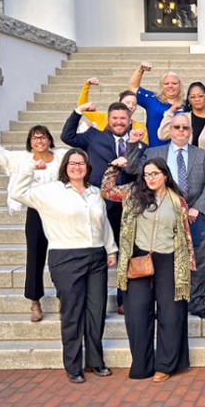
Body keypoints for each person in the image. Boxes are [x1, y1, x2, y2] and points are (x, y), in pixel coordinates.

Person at [10, 149, 116, 384]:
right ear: (65, 166)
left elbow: (103, 223)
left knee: (96, 311)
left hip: (96, 256)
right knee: (72, 313)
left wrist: (110, 249)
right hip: (66, 257)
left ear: (88, 168)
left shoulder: (95, 193)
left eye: (81, 163)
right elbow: (17, 193)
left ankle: (95, 361)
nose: (77, 167)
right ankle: (73, 365)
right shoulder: (50, 192)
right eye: (72, 163)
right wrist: (28, 169)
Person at [102, 156, 195, 382]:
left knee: (171, 313)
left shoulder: (177, 200)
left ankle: (166, 364)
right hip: (138, 258)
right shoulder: (133, 194)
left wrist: (190, 259)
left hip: (169, 259)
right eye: (147, 174)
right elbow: (106, 191)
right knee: (137, 313)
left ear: (165, 175)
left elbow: (184, 232)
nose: (150, 178)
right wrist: (113, 167)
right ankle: (142, 364)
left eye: (155, 174)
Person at [126, 112, 205, 319]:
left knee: (197, 259)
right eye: (176, 127)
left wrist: (198, 207)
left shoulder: (201, 155)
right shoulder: (153, 152)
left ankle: (196, 303)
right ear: (170, 130)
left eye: (185, 128)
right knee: (166, 261)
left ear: (191, 131)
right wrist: (132, 144)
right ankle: (168, 305)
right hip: (162, 215)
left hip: (193, 214)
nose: (180, 131)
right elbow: (134, 169)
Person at [0, 118, 68, 322]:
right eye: (35, 137)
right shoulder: (22, 159)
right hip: (36, 212)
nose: (39, 140)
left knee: (62, 256)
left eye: (43, 136)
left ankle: (65, 297)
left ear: (49, 139)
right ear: (30, 142)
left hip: (61, 212)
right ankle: (35, 302)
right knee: (34, 257)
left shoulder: (61, 156)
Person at [62, 101, 143, 315]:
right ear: (109, 119)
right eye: (115, 118)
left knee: (126, 253)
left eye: (122, 118)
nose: (118, 122)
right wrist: (78, 111)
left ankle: (123, 299)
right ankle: (95, 299)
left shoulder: (139, 142)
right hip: (99, 204)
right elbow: (67, 136)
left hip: (127, 207)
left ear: (129, 120)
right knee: (98, 253)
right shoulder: (94, 136)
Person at [158, 82, 205, 271]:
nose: (197, 99)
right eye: (192, 96)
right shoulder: (182, 118)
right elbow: (162, 134)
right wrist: (170, 113)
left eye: (200, 95)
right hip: (180, 173)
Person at [128, 61, 184, 147]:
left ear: (180, 86)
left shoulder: (187, 105)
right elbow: (133, 87)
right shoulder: (152, 100)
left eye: (174, 83)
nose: (170, 86)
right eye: (166, 83)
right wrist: (140, 70)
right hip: (154, 152)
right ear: (161, 86)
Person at [77, 77, 148, 143]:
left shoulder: (140, 127)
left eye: (134, 104)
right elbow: (82, 106)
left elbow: (143, 149)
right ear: (120, 104)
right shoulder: (103, 118)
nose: (131, 106)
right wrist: (87, 85)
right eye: (127, 103)